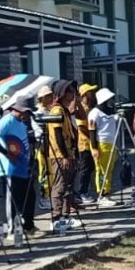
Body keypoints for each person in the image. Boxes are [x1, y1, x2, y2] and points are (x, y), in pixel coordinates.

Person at [0, 95, 37, 240]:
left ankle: (28, 225)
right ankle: (12, 230)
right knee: (12, 199)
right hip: (10, 167)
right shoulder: (7, 120)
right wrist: (5, 153)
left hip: (22, 165)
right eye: (28, 112)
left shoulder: (22, 122)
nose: (29, 115)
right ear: (21, 110)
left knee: (29, 196)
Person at [45, 80, 81, 232]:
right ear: (62, 93)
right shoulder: (57, 111)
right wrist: (65, 156)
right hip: (60, 155)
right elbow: (57, 135)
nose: (73, 94)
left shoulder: (65, 110)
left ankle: (66, 216)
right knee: (59, 186)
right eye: (70, 91)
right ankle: (56, 218)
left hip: (69, 154)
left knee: (68, 187)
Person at [87, 87, 119, 207]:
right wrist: (94, 148)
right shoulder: (94, 113)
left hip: (111, 144)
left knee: (109, 170)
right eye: (109, 99)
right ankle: (102, 194)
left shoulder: (109, 112)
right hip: (101, 144)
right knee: (101, 170)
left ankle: (107, 192)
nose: (111, 101)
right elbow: (92, 131)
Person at [74, 83, 99, 205]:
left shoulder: (90, 108)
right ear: (84, 95)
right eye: (90, 93)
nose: (92, 95)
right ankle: (81, 192)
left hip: (90, 143)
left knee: (90, 168)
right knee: (85, 168)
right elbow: (81, 127)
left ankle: (85, 191)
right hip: (83, 143)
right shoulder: (81, 108)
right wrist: (91, 135)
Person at [33, 85, 55, 211]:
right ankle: (44, 197)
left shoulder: (48, 111)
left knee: (51, 172)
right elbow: (37, 132)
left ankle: (49, 195)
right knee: (44, 172)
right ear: (42, 98)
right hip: (42, 145)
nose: (51, 98)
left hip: (51, 145)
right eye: (48, 96)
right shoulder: (37, 113)